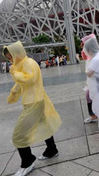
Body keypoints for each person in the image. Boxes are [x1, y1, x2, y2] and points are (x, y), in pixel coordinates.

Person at [3, 41, 62, 176]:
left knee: (18, 135)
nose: (10, 60)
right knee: (45, 126)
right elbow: (20, 83)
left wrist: (14, 73)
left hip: (34, 102)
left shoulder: (29, 63)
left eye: (11, 56)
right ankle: (52, 149)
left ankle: (28, 162)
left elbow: (30, 79)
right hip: (35, 100)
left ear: (17, 53)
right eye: (8, 58)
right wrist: (14, 93)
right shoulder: (22, 65)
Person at [81, 34, 98, 124]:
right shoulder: (90, 57)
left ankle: (97, 115)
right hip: (91, 82)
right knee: (89, 96)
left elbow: (92, 72)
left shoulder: (96, 57)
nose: (84, 50)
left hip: (96, 82)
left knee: (93, 97)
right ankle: (93, 115)